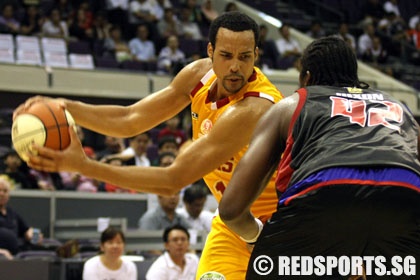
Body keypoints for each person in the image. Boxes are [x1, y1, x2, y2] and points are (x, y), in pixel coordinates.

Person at [15, 11, 283, 279]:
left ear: (256, 55)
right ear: (210, 51)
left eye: (245, 57)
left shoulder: (254, 108)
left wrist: (84, 166)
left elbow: (172, 180)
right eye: (226, 55)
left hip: (282, 225)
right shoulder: (199, 76)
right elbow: (130, 119)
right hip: (234, 226)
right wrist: (66, 108)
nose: (235, 66)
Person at [219, 36, 420, 279]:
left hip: (324, 194)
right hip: (406, 197)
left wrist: (257, 237)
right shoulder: (400, 107)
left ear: (307, 78)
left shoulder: (293, 104)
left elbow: (231, 209)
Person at [0, 175, 43, 254]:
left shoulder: (11, 213)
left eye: (5, 191)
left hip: (20, 255)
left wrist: (35, 235)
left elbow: (27, 229)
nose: (2, 194)